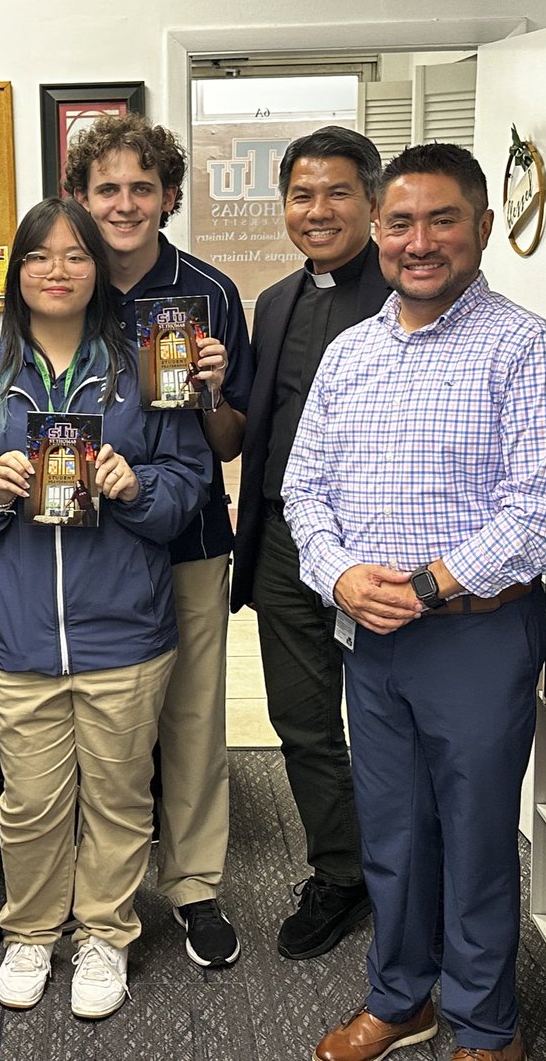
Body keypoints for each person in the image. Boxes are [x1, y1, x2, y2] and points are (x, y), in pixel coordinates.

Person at [283, 142, 546, 1061]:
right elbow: (306, 491)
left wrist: (423, 586)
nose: (420, 241)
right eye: (402, 222)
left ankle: (488, 1025)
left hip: (476, 635)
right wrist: (339, 575)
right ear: (378, 230)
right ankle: (401, 995)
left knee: (476, 835)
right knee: (393, 831)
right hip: (367, 634)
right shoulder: (349, 353)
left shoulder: (530, 350)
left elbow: (545, 511)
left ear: (484, 227)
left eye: (442, 219)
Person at [0, 197, 210, 1018]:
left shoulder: (146, 372)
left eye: (75, 256)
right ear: (16, 275)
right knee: (29, 801)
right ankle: (31, 931)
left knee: (122, 796)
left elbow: (190, 487)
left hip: (124, 631)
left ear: (100, 270)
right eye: (38, 257)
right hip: (19, 636)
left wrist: (138, 486)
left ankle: (105, 933)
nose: (57, 271)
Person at [65, 113, 253, 968]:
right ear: (80, 195)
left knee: (192, 714)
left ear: (170, 196)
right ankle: (98, 889)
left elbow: (228, 443)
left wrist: (213, 391)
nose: (125, 203)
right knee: (98, 724)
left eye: (143, 187)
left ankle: (195, 885)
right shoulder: (62, 282)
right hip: (89, 543)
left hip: (188, 540)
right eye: (108, 188)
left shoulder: (209, 292)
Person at [230, 126, 389, 960]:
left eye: (336, 194)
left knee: (392, 725)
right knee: (303, 722)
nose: (317, 211)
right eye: (301, 195)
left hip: (382, 556)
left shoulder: (406, 298)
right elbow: (259, 428)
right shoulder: (275, 302)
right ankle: (341, 872)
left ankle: (404, 876)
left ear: (371, 200)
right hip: (287, 546)